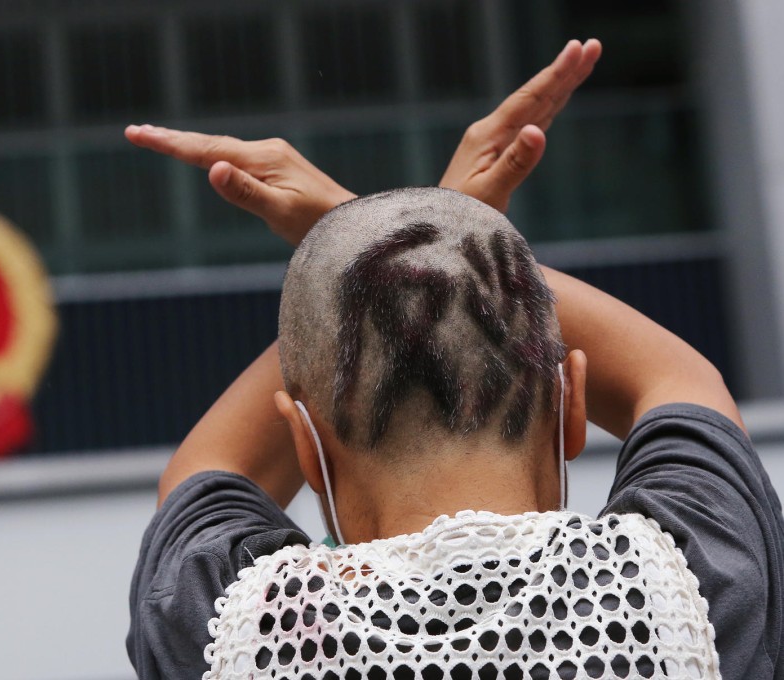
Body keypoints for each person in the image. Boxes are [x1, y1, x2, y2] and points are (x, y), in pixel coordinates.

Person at [125, 39, 784, 680]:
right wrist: (436, 241)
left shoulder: (227, 630)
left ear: (306, 448)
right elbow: (677, 378)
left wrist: (367, 251)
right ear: (572, 404)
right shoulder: (693, 590)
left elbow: (212, 469)